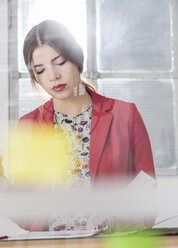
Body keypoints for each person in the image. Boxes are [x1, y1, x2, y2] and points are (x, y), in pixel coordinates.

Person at [17, 20, 156, 231]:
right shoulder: (28, 126)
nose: (53, 76)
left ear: (77, 59)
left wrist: (116, 215)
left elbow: (148, 191)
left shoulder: (124, 115)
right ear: (35, 77)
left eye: (60, 62)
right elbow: (28, 218)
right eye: (40, 70)